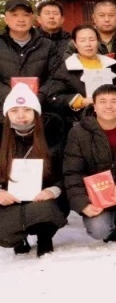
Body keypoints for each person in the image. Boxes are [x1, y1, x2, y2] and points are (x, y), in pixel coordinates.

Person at [62, 84, 116, 248]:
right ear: (94, 106)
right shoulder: (79, 133)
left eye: (114, 101)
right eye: (102, 101)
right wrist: (82, 204)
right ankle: (110, 228)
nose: (109, 106)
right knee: (99, 230)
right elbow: (72, 172)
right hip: (96, 195)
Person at [0, 84, 67, 257]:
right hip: (9, 198)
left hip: (42, 197)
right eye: (14, 110)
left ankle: (45, 236)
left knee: (47, 210)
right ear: (7, 114)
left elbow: (67, 173)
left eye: (27, 110)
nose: (21, 115)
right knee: (3, 232)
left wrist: (53, 190)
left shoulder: (54, 136)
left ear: (36, 112)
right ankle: (18, 237)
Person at [0, 0, 72, 110]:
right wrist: (11, 97)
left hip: (42, 107)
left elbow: (56, 77)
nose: (21, 19)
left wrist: (39, 96)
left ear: (32, 18)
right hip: (4, 108)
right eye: (15, 15)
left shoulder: (47, 45)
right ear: (6, 19)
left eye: (26, 15)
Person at [61, 25, 116, 119]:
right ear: (75, 44)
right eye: (82, 40)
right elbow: (55, 95)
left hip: (114, 117)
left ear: (98, 41)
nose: (88, 44)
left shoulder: (112, 65)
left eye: (92, 39)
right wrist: (81, 101)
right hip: (82, 119)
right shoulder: (66, 67)